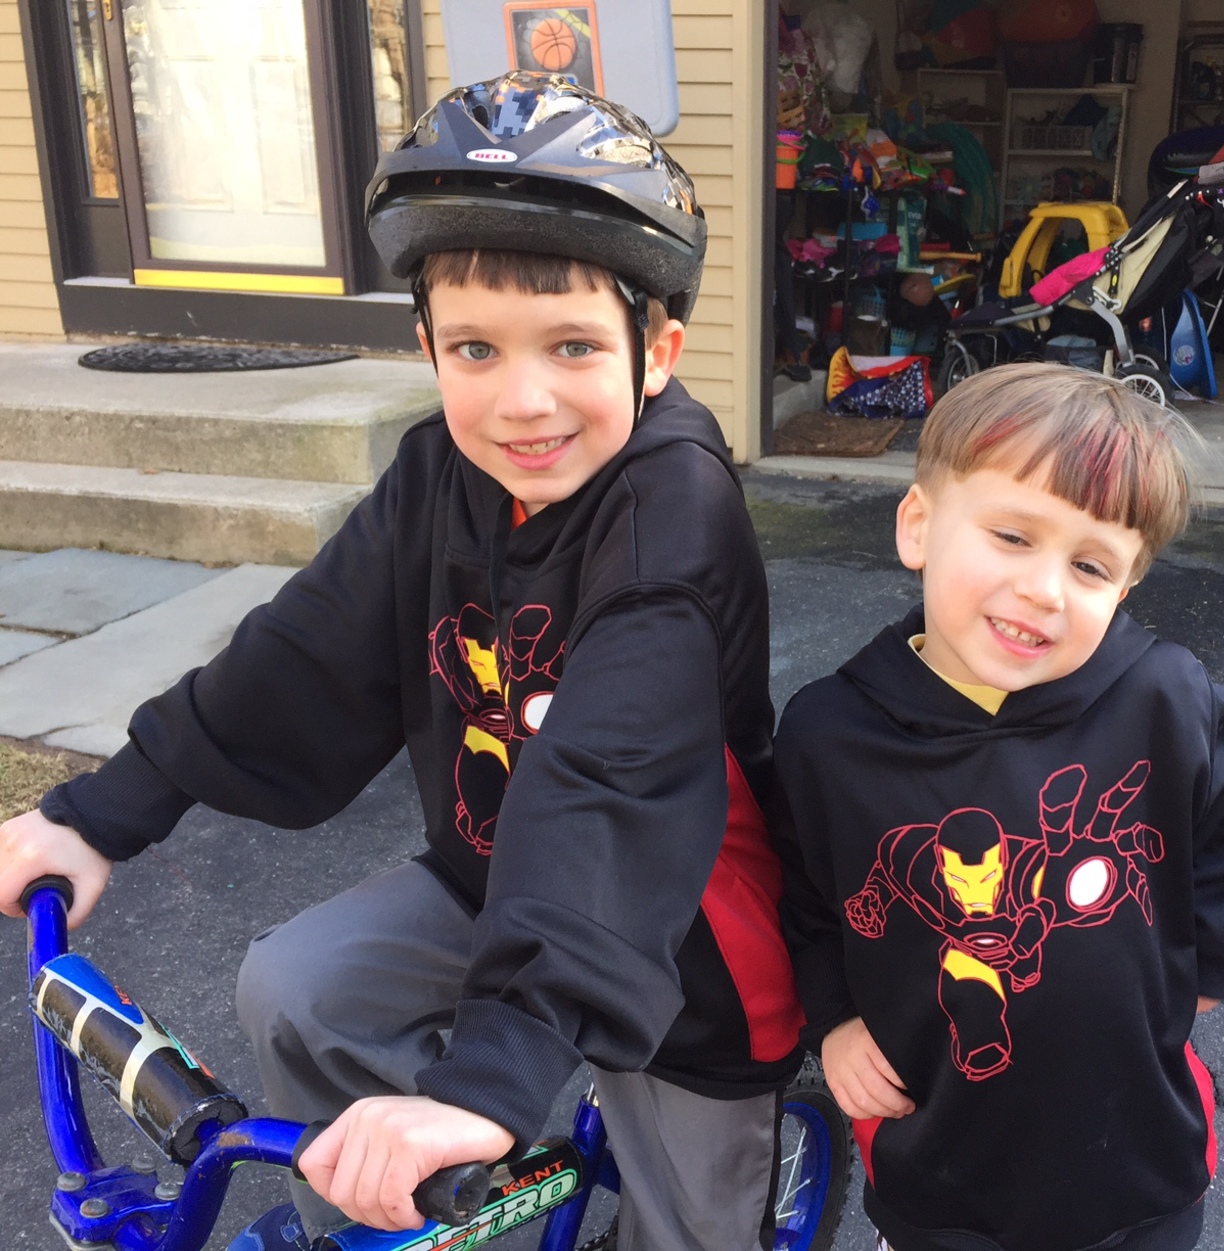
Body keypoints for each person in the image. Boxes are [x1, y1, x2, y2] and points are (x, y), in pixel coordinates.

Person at [0, 73, 804, 1251]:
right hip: (492, 879)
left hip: (675, 930)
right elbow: (309, 643)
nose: (523, 402)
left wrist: (491, 1076)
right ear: (428, 346)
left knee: (689, 1227)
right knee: (301, 989)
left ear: (657, 351)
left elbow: (609, 785)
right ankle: (393, 1218)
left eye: (573, 346)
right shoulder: (440, 472)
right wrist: (107, 809)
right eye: (476, 348)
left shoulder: (672, 521)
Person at [772, 362, 1224, 1251]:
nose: (1046, 589)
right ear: (918, 525)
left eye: (1090, 565)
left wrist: (1218, 952)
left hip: (1138, 1165)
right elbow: (805, 897)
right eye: (1013, 536)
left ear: (1123, 588)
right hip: (941, 1171)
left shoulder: (1166, 699)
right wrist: (834, 1021)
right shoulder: (830, 736)